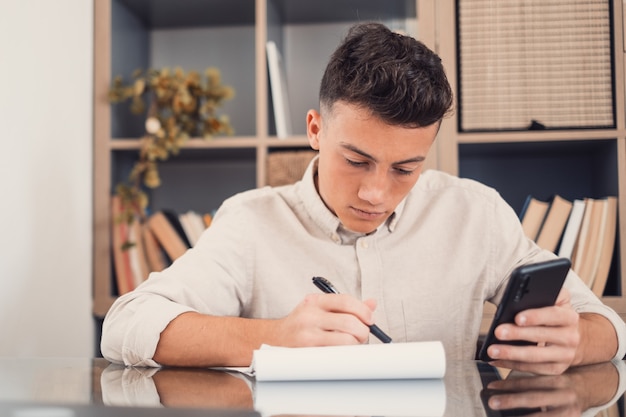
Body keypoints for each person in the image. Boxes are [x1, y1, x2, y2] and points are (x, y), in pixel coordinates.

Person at [101, 22, 626, 375]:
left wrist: (577, 341)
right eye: (356, 160)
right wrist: (272, 338)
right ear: (314, 129)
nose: (376, 193)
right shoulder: (252, 221)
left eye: (406, 168)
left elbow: (611, 328)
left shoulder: (476, 212)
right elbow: (125, 324)